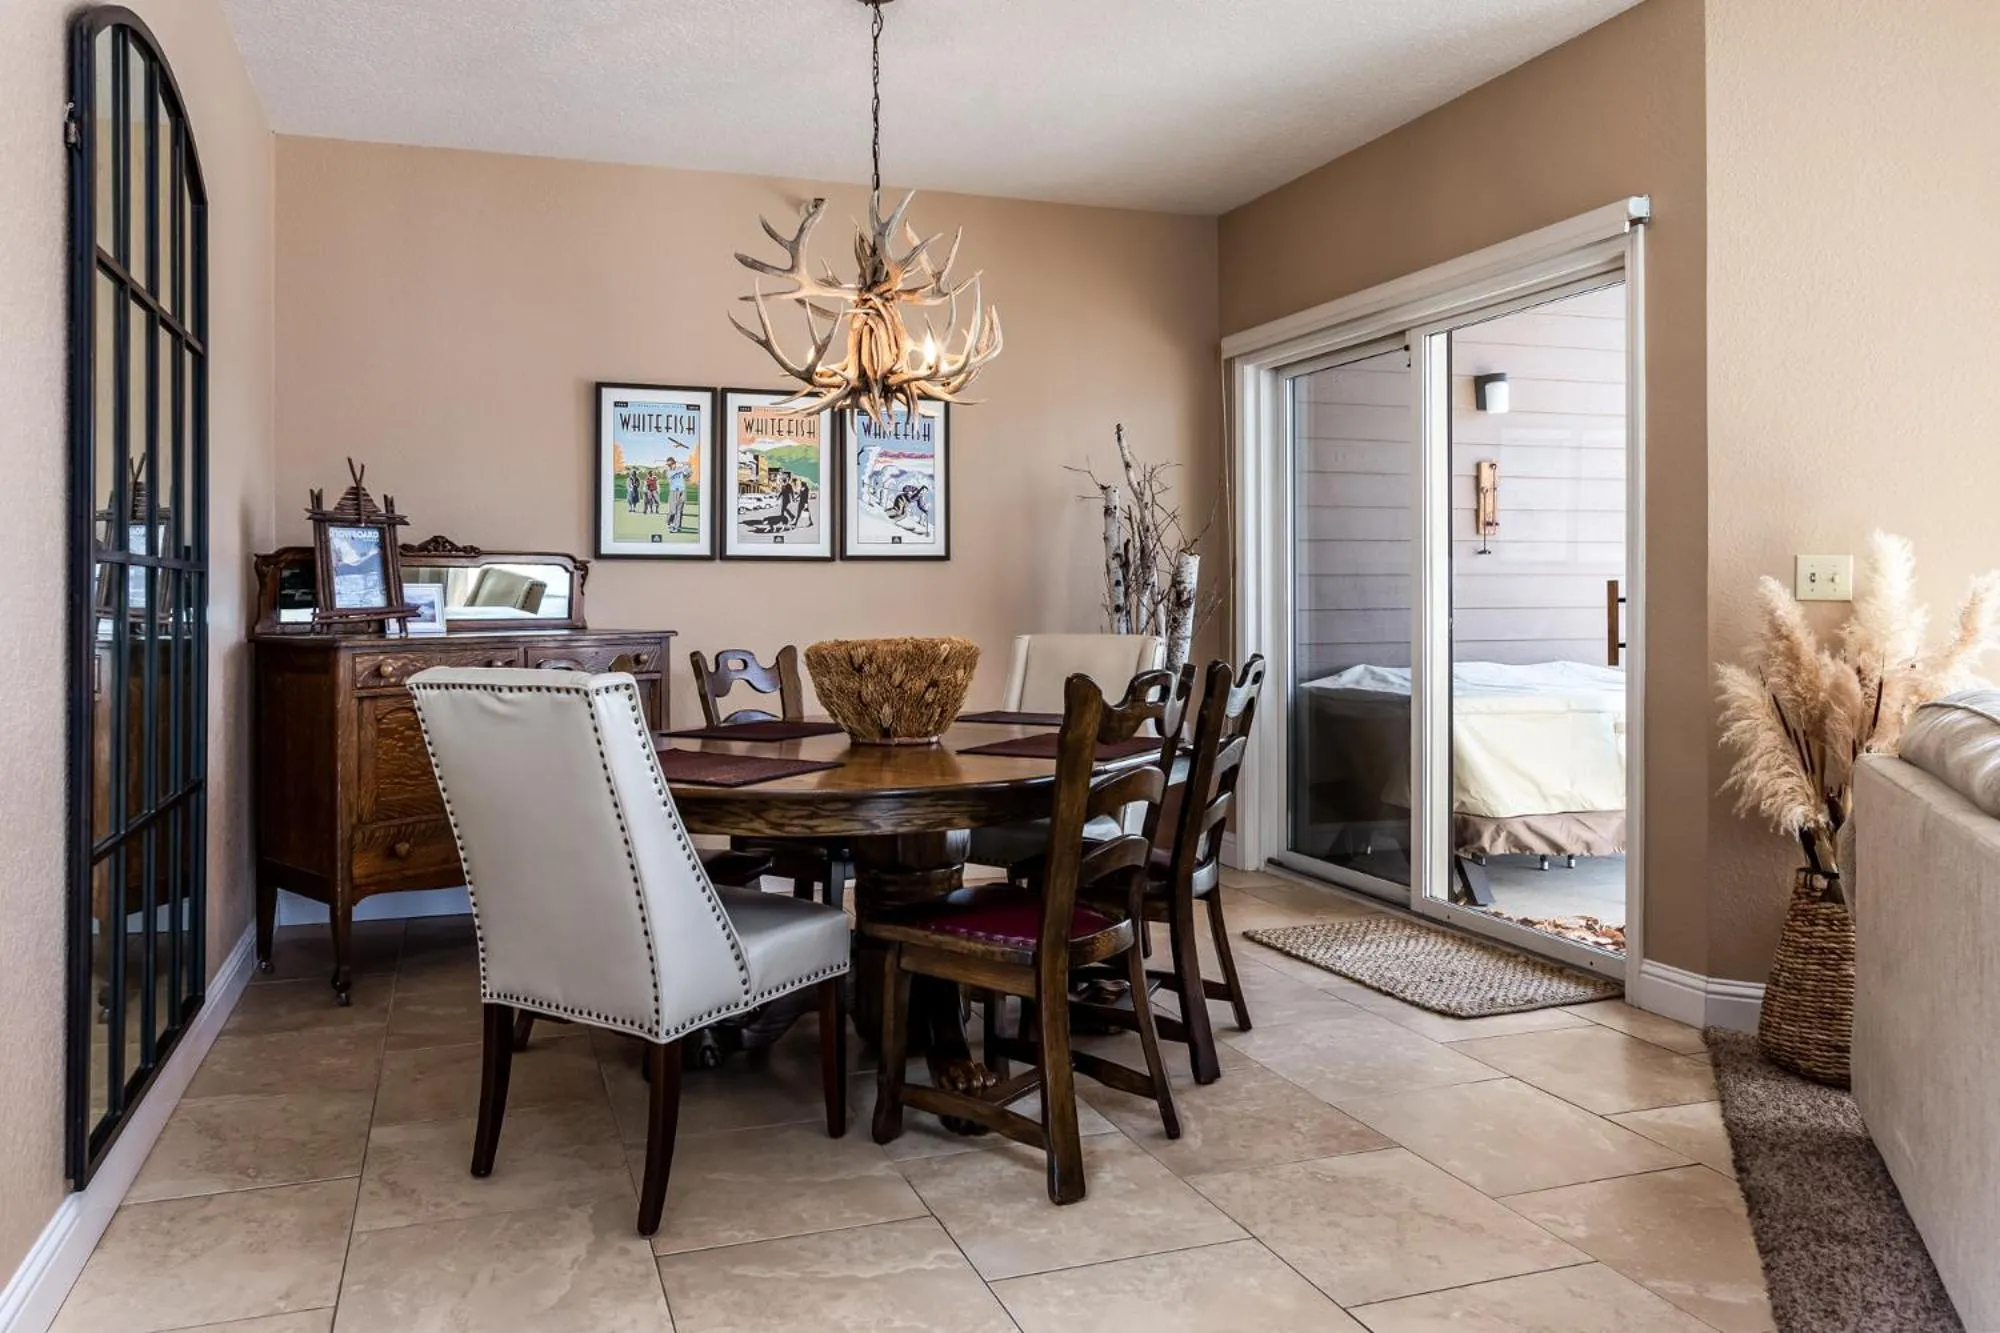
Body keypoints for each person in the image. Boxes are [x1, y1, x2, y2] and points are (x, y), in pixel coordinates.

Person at [666, 459, 689, 533]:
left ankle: (677, 527)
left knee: (679, 511)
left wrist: (686, 466)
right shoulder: (669, 472)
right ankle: (669, 522)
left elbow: (688, 473)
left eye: (671, 464)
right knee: (673, 511)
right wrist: (682, 468)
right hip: (673, 492)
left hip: (682, 491)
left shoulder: (680, 470)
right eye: (668, 465)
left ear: (674, 463)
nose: (670, 466)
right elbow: (673, 474)